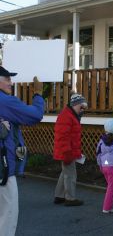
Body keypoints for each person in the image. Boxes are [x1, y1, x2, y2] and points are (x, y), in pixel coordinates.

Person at [0, 66, 44, 236]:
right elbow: (35, 115)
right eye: (7, 79)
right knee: (8, 215)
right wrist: (38, 94)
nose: (11, 82)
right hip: (3, 169)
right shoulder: (5, 101)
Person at [53, 93, 88, 206]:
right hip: (67, 151)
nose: (82, 109)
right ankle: (70, 198)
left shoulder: (70, 114)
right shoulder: (67, 116)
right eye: (81, 107)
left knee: (65, 172)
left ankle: (59, 196)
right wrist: (67, 152)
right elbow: (63, 137)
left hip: (69, 149)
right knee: (70, 174)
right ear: (75, 104)